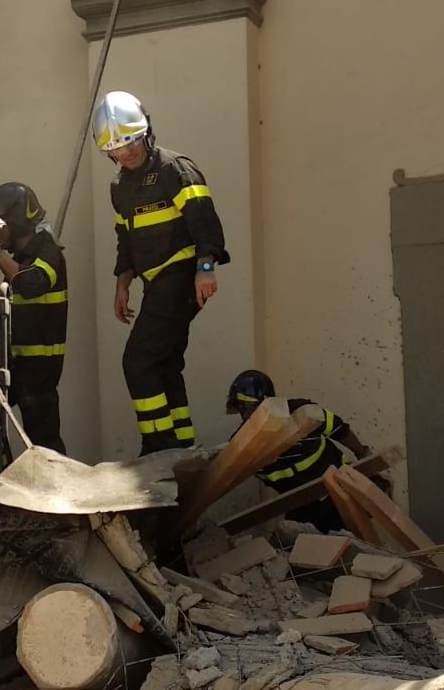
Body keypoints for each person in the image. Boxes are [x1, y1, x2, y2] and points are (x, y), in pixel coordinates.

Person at [93, 90, 228, 455]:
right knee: (164, 362)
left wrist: (205, 268)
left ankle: (158, 446)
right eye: (116, 148)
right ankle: (182, 445)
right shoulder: (120, 187)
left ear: (146, 131)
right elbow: (127, 239)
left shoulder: (175, 168)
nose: (127, 152)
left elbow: (205, 223)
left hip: (182, 274)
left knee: (137, 360)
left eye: (132, 141)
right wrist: (122, 284)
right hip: (155, 283)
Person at [227, 369, 376, 532]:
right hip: (300, 505)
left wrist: (363, 454)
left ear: (266, 402)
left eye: (248, 408)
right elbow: (225, 473)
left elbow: (340, 430)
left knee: (349, 544)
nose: (245, 416)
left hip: (339, 490)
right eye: (241, 409)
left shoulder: (302, 411)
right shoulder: (242, 442)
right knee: (296, 547)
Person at [0, 182, 69, 454]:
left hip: (39, 369)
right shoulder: (21, 256)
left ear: (16, 224)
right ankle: (3, 470)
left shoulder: (49, 253)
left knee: (44, 444)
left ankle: (57, 491)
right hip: (18, 364)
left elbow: (29, 284)